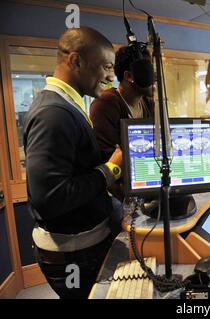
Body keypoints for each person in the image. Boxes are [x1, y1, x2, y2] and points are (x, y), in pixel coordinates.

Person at [23, 27, 122, 299]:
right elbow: (51, 199)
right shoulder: (53, 114)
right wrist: (111, 168)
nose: (111, 76)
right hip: (74, 254)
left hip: (83, 248)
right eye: (106, 67)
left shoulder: (68, 105)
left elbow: (75, 167)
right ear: (76, 61)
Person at [90, 45, 154, 200]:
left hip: (146, 186)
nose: (154, 79)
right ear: (129, 76)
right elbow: (110, 159)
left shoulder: (149, 103)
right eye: (148, 73)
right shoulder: (105, 103)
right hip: (117, 195)